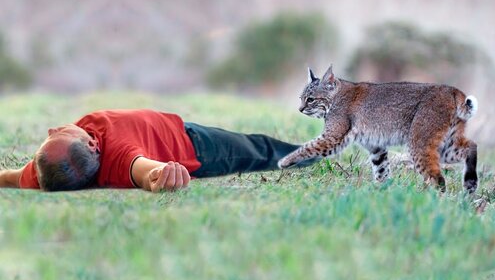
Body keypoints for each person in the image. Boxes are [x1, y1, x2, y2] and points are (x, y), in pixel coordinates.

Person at [0, 109, 312, 192]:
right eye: (61, 134)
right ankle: (312, 154)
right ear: (92, 145)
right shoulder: (119, 154)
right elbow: (142, 169)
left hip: (174, 125)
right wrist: (162, 174)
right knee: (259, 149)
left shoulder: (47, 171)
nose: (52, 130)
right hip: (197, 146)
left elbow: (9, 177)